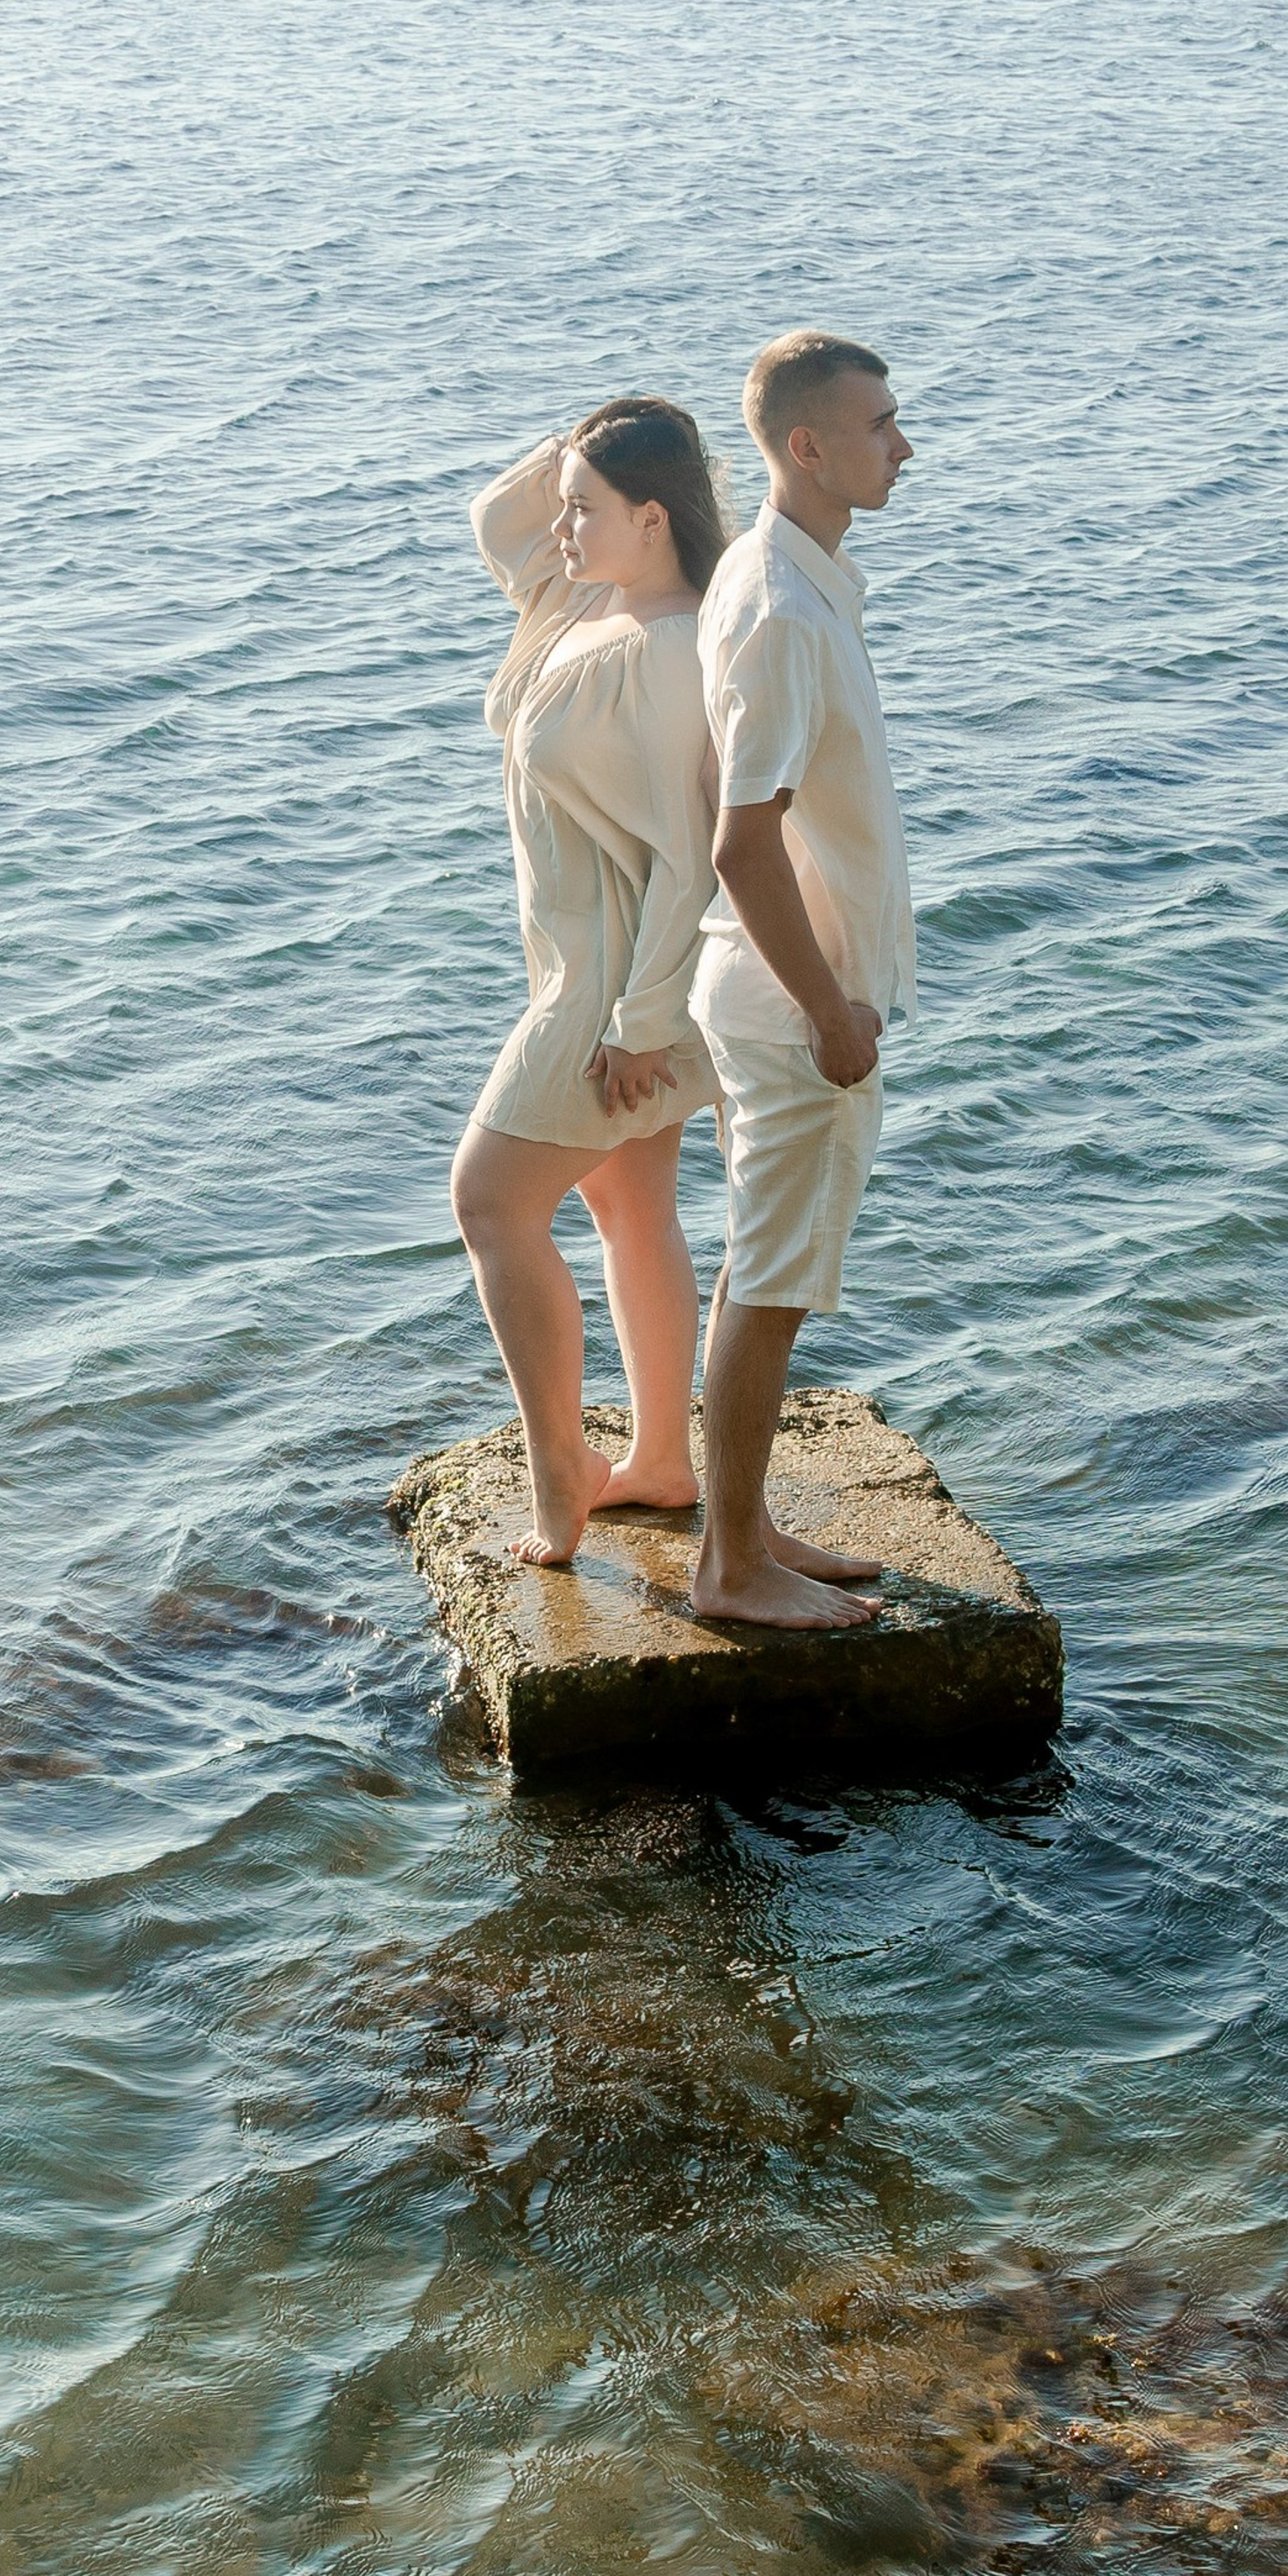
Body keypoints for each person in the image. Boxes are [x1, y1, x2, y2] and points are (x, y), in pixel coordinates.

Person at [449, 400, 728, 1567]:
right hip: (595, 974)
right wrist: (600, 438)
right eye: (565, 507)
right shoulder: (588, 596)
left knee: (490, 1201)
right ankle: (662, 1459)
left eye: (588, 510)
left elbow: (691, 849)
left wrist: (640, 1027)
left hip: (615, 1000)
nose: (557, 528)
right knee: (625, 1202)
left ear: (652, 518)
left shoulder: (668, 650)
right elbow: (497, 518)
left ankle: (561, 1462)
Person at [688, 330, 917, 1630]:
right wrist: (832, 1009)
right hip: (796, 1005)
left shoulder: (806, 573)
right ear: (807, 445)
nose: (905, 446)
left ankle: (746, 1523)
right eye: (881, 424)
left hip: (793, 994)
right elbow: (742, 831)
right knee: (770, 1285)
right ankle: (729, 1572)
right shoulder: (778, 603)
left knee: (758, 1274)